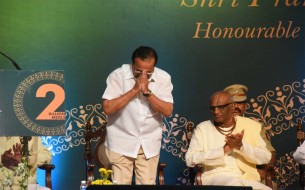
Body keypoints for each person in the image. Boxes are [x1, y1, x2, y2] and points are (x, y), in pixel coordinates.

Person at [102, 46, 174, 184]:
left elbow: (168, 111)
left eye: (149, 72)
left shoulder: (163, 78)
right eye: (138, 71)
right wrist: (134, 90)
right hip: (121, 141)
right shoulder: (117, 75)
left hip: (149, 142)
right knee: (120, 185)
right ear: (132, 64)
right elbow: (108, 108)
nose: (143, 76)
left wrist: (147, 92)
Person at [185, 91, 272, 190]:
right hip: (212, 177)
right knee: (235, 184)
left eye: (220, 107)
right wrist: (223, 150)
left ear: (232, 106)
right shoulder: (203, 128)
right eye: (212, 108)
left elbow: (266, 157)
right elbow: (190, 159)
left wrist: (241, 147)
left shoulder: (250, 126)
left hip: (245, 177)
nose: (216, 112)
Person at [224, 84, 277, 189]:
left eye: (239, 103)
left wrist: (264, 170)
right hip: (226, 175)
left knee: (270, 185)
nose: (236, 107)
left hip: (251, 173)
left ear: (245, 106)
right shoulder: (212, 126)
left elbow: (270, 154)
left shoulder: (255, 127)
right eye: (232, 103)